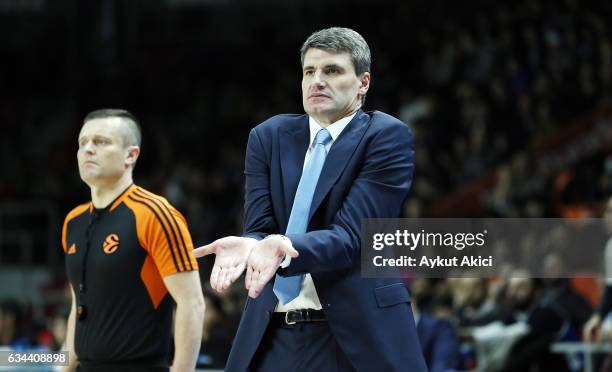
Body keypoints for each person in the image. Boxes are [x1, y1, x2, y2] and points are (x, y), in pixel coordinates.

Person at [195, 27, 427, 371]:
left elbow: (352, 238)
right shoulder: (268, 137)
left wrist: (281, 248)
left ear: (363, 82)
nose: (317, 80)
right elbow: (260, 228)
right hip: (273, 331)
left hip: (353, 334)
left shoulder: (385, 136)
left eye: (331, 70)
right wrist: (251, 244)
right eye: (309, 71)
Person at [61, 109, 204, 372]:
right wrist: (65, 368)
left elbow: (192, 304)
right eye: (83, 143)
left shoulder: (155, 214)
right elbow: (77, 304)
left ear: (131, 154)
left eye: (101, 142)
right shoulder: (73, 221)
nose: (88, 150)